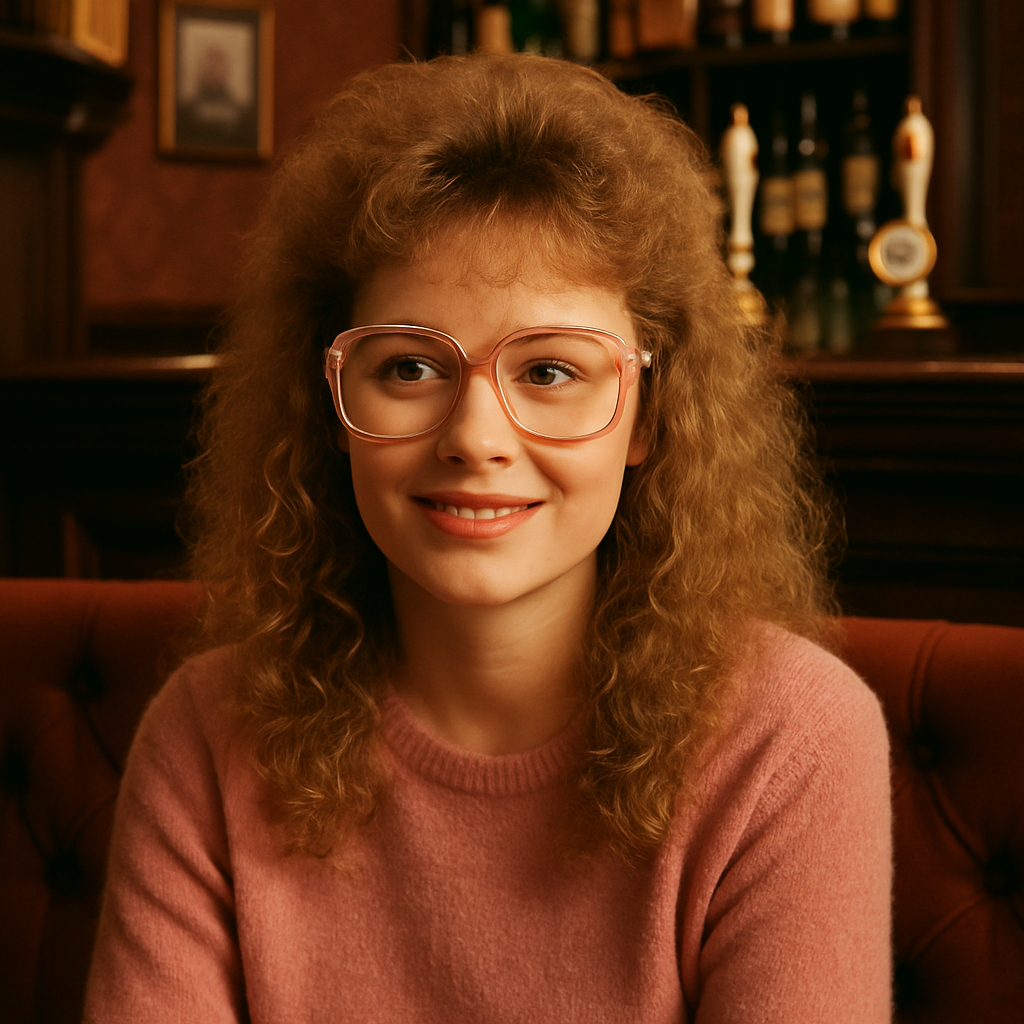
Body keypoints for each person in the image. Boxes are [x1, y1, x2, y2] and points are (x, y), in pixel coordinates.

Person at [83, 54, 892, 1023]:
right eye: (409, 367)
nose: (475, 439)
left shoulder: (792, 739)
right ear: (329, 405)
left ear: (649, 414)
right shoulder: (205, 732)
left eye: (549, 372)